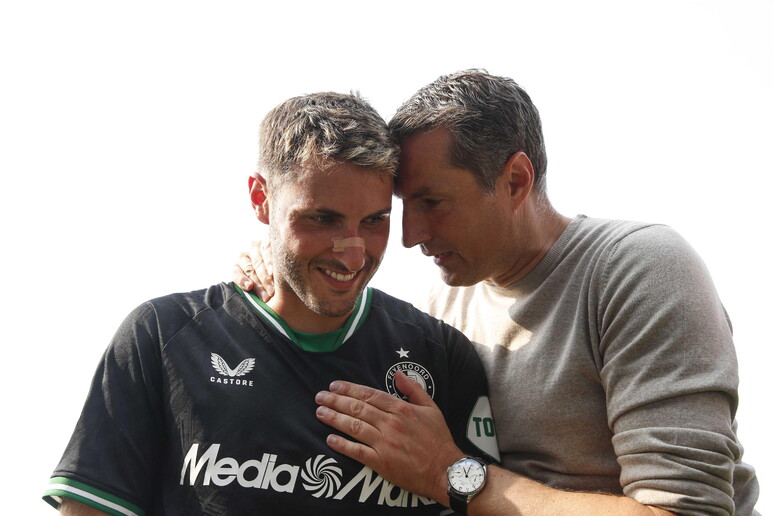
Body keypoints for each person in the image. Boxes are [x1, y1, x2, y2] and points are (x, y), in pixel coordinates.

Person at [236, 70, 760, 515]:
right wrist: (276, 273)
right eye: (400, 209)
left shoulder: (637, 269)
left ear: (514, 180)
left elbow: (682, 511)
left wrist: (453, 474)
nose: (410, 235)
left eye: (433, 202)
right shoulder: (440, 311)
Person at [43, 91, 500, 515]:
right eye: (323, 218)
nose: (354, 252)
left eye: (374, 220)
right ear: (261, 199)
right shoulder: (160, 337)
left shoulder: (442, 357)